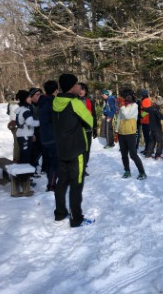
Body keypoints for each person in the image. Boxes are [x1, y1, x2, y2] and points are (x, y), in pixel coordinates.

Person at [52, 74, 94, 227]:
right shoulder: (75, 103)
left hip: (61, 148)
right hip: (76, 150)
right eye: (77, 84)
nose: (79, 87)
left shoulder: (55, 101)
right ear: (71, 86)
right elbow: (90, 121)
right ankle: (76, 218)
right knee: (76, 183)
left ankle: (60, 213)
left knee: (62, 181)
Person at [116, 89, 147, 180]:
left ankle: (142, 172)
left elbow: (127, 116)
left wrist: (122, 107)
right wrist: (117, 130)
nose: (127, 99)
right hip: (122, 133)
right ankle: (127, 171)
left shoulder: (134, 106)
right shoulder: (123, 107)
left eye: (128, 97)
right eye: (125, 97)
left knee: (133, 154)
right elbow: (119, 119)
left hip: (131, 133)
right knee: (124, 154)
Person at [38, 80, 59, 191]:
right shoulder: (52, 103)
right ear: (55, 90)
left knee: (51, 162)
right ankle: (51, 185)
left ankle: (52, 182)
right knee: (55, 163)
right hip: (52, 137)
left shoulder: (42, 100)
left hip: (44, 136)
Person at [77, 82, 98, 176]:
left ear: (86, 91)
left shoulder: (89, 101)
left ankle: (84, 166)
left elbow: (93, 115)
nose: (81, 91)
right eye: (79, 89)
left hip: (88, 129)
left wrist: (95, 128)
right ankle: (78, 167)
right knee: (78, 149)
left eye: (83, 89)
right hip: (77, 129)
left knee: (86, 149)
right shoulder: (74, 101)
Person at [14, 90, 40, 165]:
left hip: (23, 135)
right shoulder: (26, 111)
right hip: (25, 137)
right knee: (26, 157)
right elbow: (30, 122)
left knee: (26, 155)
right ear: (24, 99)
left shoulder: (20, 109)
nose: (30, 98)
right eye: (29, 97)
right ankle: (25, 175)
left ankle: (27, 174)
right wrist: (41, 122)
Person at [142, 95, 163, 160]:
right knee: (159, 141)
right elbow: (160, 116)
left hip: (151, 127)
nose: (162, 105)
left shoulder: (151, 108)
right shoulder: (156, 109)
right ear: (159, 103)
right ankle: (158, 155)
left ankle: (148, 154)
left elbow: (144, 112)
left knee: (152, 141)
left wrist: (141, 115)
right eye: (162, 104)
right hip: (157, 128)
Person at [29, 87, 43, 176]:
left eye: (40, 94)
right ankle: (32, 170)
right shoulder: (29, 106)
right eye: (37, 95)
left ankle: (39, 168)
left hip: (41, 130)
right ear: (31, 96)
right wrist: (32, 134)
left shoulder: (41, 104)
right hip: (32, 132)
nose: (39, 96)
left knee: (41, 150)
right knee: (34, 151)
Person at [6, 92, 20, 162]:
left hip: (13, 125)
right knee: (17, 144)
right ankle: (16, 160)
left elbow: (8, 112)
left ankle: (16, 159)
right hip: (16, 126)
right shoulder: (17, 105)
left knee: (16, 143)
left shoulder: (12, 104)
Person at [140, 89, 152, 154]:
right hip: (145, 121)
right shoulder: (145, 100)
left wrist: (141, 116)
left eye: (141, 94)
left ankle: (149, 150)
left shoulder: (146, 100)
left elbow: (147, 110)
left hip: (146, 121)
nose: (141, 96)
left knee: (147, 136)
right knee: (146, 136)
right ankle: (147, 149)